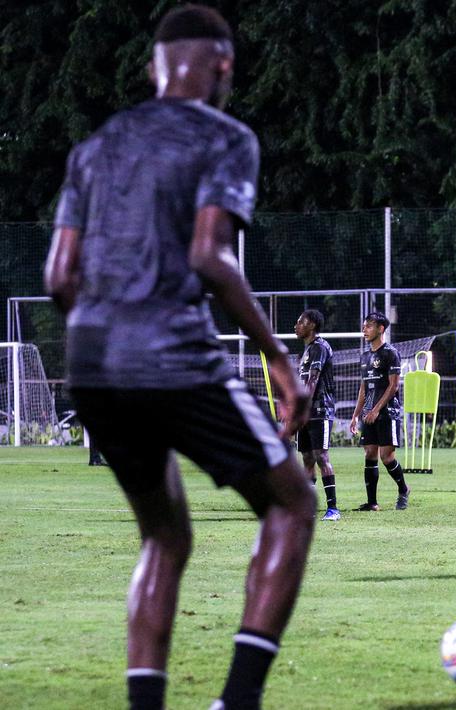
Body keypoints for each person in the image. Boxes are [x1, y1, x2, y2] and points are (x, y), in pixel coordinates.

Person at [43, 6, 316, 708]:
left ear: (152, 68)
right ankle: (239, 699)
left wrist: (105, 341)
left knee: (162, 537)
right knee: (290, 503)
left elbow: (58, 278)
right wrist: (278, 358)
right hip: (174, 356)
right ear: (223, 65)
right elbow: (209, 255)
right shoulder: (225, 138)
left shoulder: (95, 147)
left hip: (93, 360)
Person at [350, 311, 409, 511]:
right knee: (369, 453)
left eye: (369, 326)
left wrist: (376, 410)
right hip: (369, 413)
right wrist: (356, 415)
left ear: (380, 329)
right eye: (364, 326)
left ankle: (403, 489)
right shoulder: (365, 356)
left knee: (386, 456)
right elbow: (363, 388)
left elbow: (394, 386)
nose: (364, 329)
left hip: (387, 412)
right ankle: (372, 503)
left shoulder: (390, 353)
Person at [294, 309, 340, 520]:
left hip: (319, 409)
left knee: (321, 455)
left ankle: (333, 509)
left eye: (300, 322)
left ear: (311, 325)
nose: (296, 326)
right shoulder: (306, 350)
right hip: (305, 411)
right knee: (306, 457)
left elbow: (313, 380)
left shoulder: (320, 347)